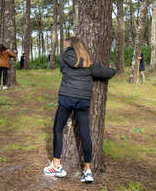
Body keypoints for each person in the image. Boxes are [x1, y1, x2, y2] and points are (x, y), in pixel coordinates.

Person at [43, 36, 116, 182]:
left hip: (66, 97)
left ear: (69, 46)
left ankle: (57, 165)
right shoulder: (88, 60)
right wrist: (113, 71)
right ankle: (87, 170)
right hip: (83, 99)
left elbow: (63, 70)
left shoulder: (64, 57)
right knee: (85, 133)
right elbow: (102, 72)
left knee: (58, 129)